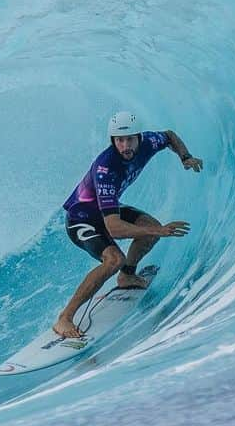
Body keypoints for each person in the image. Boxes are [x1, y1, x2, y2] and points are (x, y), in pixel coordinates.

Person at [54, 110, 203, 339]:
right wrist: (160, 230)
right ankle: (65, 318)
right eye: (119, 140)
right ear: (112, 140)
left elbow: (170, 136)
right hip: (81, 219)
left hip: (108, 210)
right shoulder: (106, 168)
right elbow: (114, 228)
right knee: (114, 258)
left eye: (129, 139)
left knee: (150, 229)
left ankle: (127, 276)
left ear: (139, 137)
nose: (125, 146)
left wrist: (185, 157)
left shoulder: (149, 142)